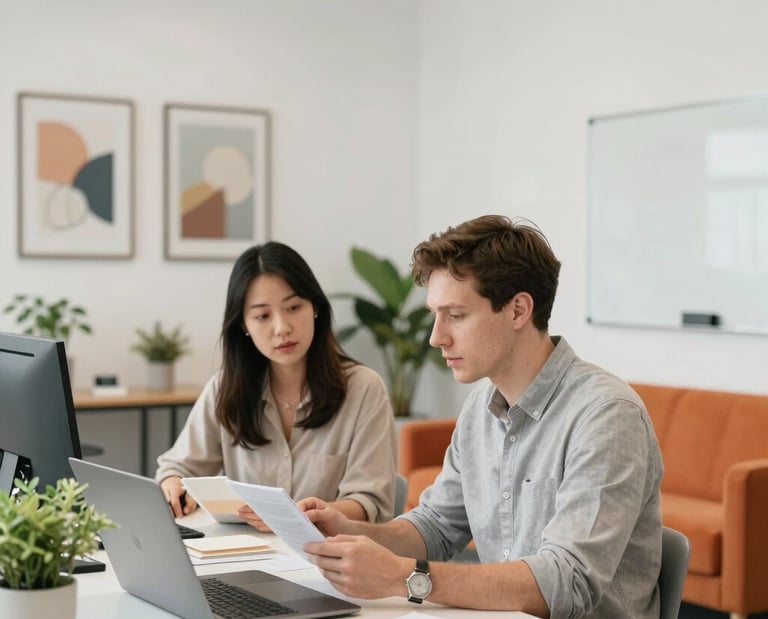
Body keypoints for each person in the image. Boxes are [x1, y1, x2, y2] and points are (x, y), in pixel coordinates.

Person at [300, 215, 664, 618]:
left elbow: (568, 582)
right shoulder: (480, 407)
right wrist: (350, 532)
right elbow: (437, 526)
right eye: (436, 315)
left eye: (455, 315)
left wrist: (404, 577)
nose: (436, 337)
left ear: (518, 310)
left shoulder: (606, 416)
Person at [156, 241, 397, 529]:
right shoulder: (225, 389)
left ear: (315, 309)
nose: (282, 327)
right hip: (244, 556)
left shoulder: (363, 389)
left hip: (331, 558)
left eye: (294, 307)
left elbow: (370, 503)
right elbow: (179, 468)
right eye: (262, 316)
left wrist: (293, 518)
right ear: (244, 325)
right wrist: (173, 484)